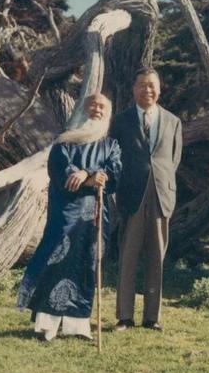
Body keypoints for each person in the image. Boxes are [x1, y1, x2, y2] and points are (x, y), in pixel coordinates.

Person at [17, 93, 121, 341]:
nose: (97, 109)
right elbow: (60, 170)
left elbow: (114, 173)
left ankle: (78, 326)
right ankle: (47, 324)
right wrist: (86, 177)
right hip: (66, 211)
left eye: (103, 106)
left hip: (95, 214)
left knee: (87, 263)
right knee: (56, 259)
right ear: (83, 110)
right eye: (93, 104)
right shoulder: (64, 142)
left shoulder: (111, 145)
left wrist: (92, 172)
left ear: (108, 113)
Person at [110, 67, 182, 332]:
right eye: (142, 85)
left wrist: (160, 182)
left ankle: (153, 317)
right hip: (131, 195)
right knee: (128, 256)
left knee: (157, 257)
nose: (147, 90)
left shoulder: (173, 121)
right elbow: (113, 158)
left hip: (162, 195)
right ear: (134, 89)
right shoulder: (120, 121)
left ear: (159, 89)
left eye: (152, 86)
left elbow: (173, 160)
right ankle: (124, 317)